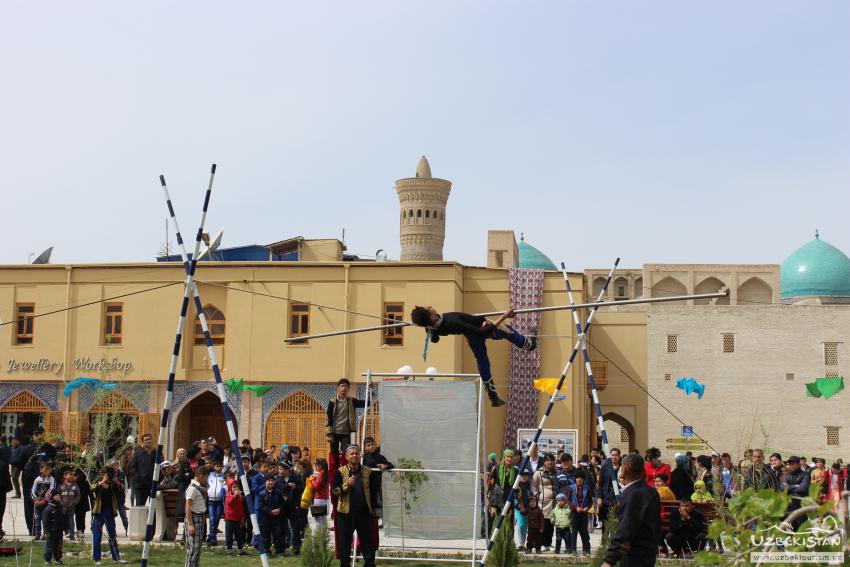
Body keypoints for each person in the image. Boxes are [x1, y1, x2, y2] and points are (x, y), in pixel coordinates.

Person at [410, 305, 537, 407]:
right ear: (431, 317)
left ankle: (493, 397)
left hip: (473, 335)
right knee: (508, 331)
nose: (429, 306)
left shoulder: (435, 325)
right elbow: (482, 332)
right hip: (481, 330)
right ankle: (530, 345)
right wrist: (504, 316)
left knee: (482, 360)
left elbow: (435, 339)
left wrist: (428, 328)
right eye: (427, 309)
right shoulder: (451, 323)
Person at [601, 453, 661, 567]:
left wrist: (609, 560)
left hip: (634, 554)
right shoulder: (652, 492)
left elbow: (625, 528)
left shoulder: (631, 495)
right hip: (649, 553)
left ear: (625, 469)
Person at [332, 445, 377, 567]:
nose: (354, 456)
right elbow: (335, 491)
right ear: (346, 456)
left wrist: (375, 511)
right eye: (351, 454)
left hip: (363, 513)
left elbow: (373, 492)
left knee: (367, 543)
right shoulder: (340, 471)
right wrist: (347, 484)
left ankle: (369, 564)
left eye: (356, 453)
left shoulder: (367, 471)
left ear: (360, 455)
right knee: (345, 543)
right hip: (345, 513)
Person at [362, 436, 393, 549]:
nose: (371, 447)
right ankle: (361, 545)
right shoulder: (363, 458)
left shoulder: (380, 457)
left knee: (374, 518)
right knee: (364, 518)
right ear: (365, 448)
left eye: (372, 444)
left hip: (375, 491)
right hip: (364, 491)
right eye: (368, 445)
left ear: (375, 444)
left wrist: (384, 466)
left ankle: (374, 546)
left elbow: (391, 465)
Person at [91, 467, 127, 564]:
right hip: (99, 512)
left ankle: (116, 558)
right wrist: (102, 482)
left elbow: (122, 489)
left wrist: (116, 482)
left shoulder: (113, 484)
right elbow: (91, 488)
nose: (108, 476)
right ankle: (97, 559)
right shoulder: (99, 483)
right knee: (97, 536)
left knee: (112, 535)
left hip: (110, 512)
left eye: (110, 475)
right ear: (102, 474)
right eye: (106, 474)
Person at [531, 453, 558, 551]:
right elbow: (533, 484)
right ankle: (540, 543)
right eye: (547, 460)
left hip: (555, 501)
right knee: (542, 523)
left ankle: (548, 544)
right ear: (544, 462)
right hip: (543, 501)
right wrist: (536, 494)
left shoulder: (556, 471)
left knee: (551, 523)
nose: (549, 462)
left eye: (551, 460)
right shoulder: (539, 472)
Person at [185, 465, 210, 567]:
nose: (206, 480)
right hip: (194, 518)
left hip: (199, 518)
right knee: (193, 548)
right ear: (200, 476)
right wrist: (190, 524)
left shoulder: (196, 488)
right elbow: (187, 506)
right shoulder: (192, 489)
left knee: (197, 548)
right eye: (206, 477)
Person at [780, 456, 810, 526]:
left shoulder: (805, 474)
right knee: (785, 530)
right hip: (787, 507)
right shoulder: (786, 475)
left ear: (799, 464)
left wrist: (788, 488)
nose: (791, 466)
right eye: (790, 464)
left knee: (800, 531)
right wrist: (794, 486)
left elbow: (803, 489)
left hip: (800, 507)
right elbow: (782, 488)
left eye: (793, 464)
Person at [597, 448, 621, 532]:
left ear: (619, 456)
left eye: (616, 455)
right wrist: (599, 497)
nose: (614, 457)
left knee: (617, 521)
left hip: (617, 497)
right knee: (605, 521)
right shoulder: (605, 467)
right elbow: (600, 483)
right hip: (606, 496)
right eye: (612, 455)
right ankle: (605, 542)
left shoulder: (622, 468)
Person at [569, 473, 592, 556]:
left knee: (584, 531)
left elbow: (590, 501)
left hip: (584, 512)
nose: (579, 479)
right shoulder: (572, 488)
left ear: (584, 480)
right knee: (574, 531)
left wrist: (587, 508)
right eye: (577, 478)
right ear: (575, 479)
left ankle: (586, 549)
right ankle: (573, 550)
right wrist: (575, 507)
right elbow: (568, 500)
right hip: (575, 512)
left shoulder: (587, 488)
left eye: (581, 478)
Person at [32, 462, 55, 540]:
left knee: (46, 519)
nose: (46, 471)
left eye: (48, 470)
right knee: (37, 519)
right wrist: (35, 499)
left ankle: (45, 534)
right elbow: (33, 490)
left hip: (46, 503)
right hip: (38, 502)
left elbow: (51, 490)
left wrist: (45, 500)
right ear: (40, 470)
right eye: (44, 469)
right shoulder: (37, 479)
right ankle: (37, 534)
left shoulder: (51, 479)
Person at [224, 479, 247, 556]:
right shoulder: (228, 496)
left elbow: (241, 508)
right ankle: (229, 550)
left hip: (237, 519)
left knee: (239, 536)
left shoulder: (240, 497)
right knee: (229, 536)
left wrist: (242, 518)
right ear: (230, 488)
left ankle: (241, 549)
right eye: (234, 487)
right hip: (230, 519)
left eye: (237, 487)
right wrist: (234, 496)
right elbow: (230, 503)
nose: (236, 489)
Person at [207, 460, 227, 545]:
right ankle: (213, 538)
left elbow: (225, 487)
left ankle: (211, 535)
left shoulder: (224, 476)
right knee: (212, 519)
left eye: (220, 466)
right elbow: (206, 485)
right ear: (214, 467)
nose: (218, 468)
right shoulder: (210, 475)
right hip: (211, 500)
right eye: (216, 466)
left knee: (217, 519)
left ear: (222, 467)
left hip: (219, 501)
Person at [57, 469, 80, 541]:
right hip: (62, 507)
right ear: (64, 476)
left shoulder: (75, 486)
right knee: (61, 521)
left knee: (71, 521)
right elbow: (58, 495)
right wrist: (60, 502)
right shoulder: (61, 486)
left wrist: (74, 502)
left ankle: (72, 535)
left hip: (71, 507)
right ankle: (60, 535)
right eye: (69, 474)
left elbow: (78, 495)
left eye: (72, 475)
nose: (71, 476)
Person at [42, 493, 64, 565]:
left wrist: (66, 527)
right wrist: (46, 531)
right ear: (52, 497)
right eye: (57, 495)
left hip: (59, 531)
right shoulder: (48, 508)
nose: (59, 496)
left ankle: (58, 559)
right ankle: (47, 560)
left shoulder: (60, 506)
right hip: (51, 531)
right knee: (49, 546)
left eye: (59, 495)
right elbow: (45, 521)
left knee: (58, 546)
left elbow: (63, 518)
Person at [310, 458, 330, 532]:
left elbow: (316, 486)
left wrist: (312, 480)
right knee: (323, 520)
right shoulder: (326, 473)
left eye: (316, 465)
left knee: (318, 521)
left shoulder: (321, 474)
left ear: (320, 465)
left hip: (319, 499)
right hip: (325, 499)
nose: (315, 467)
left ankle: (318, 538)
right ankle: (323, 537)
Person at [514, 469, 532, 550]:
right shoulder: (517, 486)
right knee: (520, 525)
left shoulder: (529, 485)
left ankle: (523, 544)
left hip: (527, 509)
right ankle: (521, 543)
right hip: (519, 509)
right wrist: (519, 506)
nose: (525, 477)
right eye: (523, 475)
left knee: (525, 526)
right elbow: (514, 498)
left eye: (526, 475)